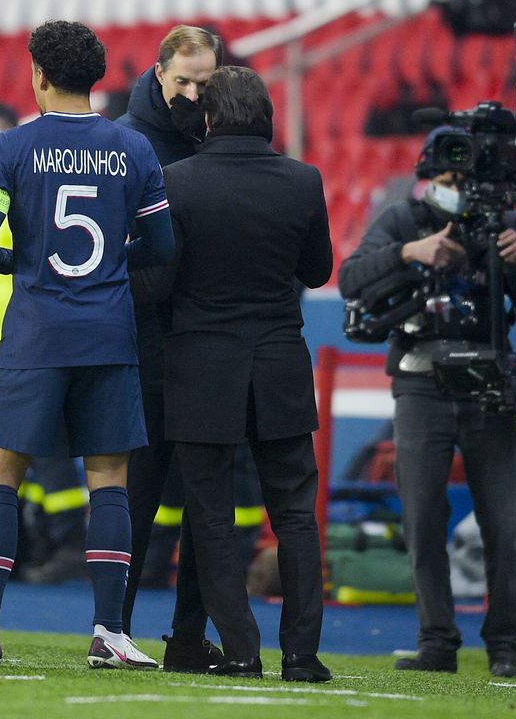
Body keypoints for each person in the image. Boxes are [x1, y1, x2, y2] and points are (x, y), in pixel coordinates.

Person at [0, 20, 173, 667]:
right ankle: (111, 633)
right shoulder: (134, 151)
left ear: (39, 75)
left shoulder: (9, 149)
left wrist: (26, 266)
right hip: (109, 331)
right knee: (108, 480)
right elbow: (163, 249)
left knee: (1, 473)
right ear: (96, 76)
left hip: (36, 333)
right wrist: (108, 267)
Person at [148, 66, 331, 681]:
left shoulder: (177, 181)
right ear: (266, 116)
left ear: (209, 118)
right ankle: (303, 655)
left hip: (201, 365)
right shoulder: (304, 181)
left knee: (211, 514)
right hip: (280, 362)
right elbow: (318, 272)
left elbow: (161, 281)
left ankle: (243, 650)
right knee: (297, 514)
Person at [338, 129, 516, 680]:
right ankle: (437, 642)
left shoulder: (511, 226)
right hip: (421, 383)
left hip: (488, 385)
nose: (456, 187)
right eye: (447, 178)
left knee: (503, 524)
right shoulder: (404, 220)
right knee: (422, 520)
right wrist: (409, 252)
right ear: (429, 174)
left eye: (466, 179)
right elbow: (351, 277)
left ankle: (506, 647)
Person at [116, 25, 245, 672]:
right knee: (138, 492)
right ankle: (113, 626)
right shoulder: (129, 142)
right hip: (148, 339)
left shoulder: (217, 137)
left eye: (205, 83)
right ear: (159, 72)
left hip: (201, 336)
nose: (193, 93)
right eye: (184, 80)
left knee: (203, 498)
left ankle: (187, 636)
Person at [0, 101, 89, 584]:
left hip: (26, 331)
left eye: (0, 132)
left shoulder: (25, 179)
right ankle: (25, 547)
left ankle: (66, 542)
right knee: (0, 453)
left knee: (46, 449)